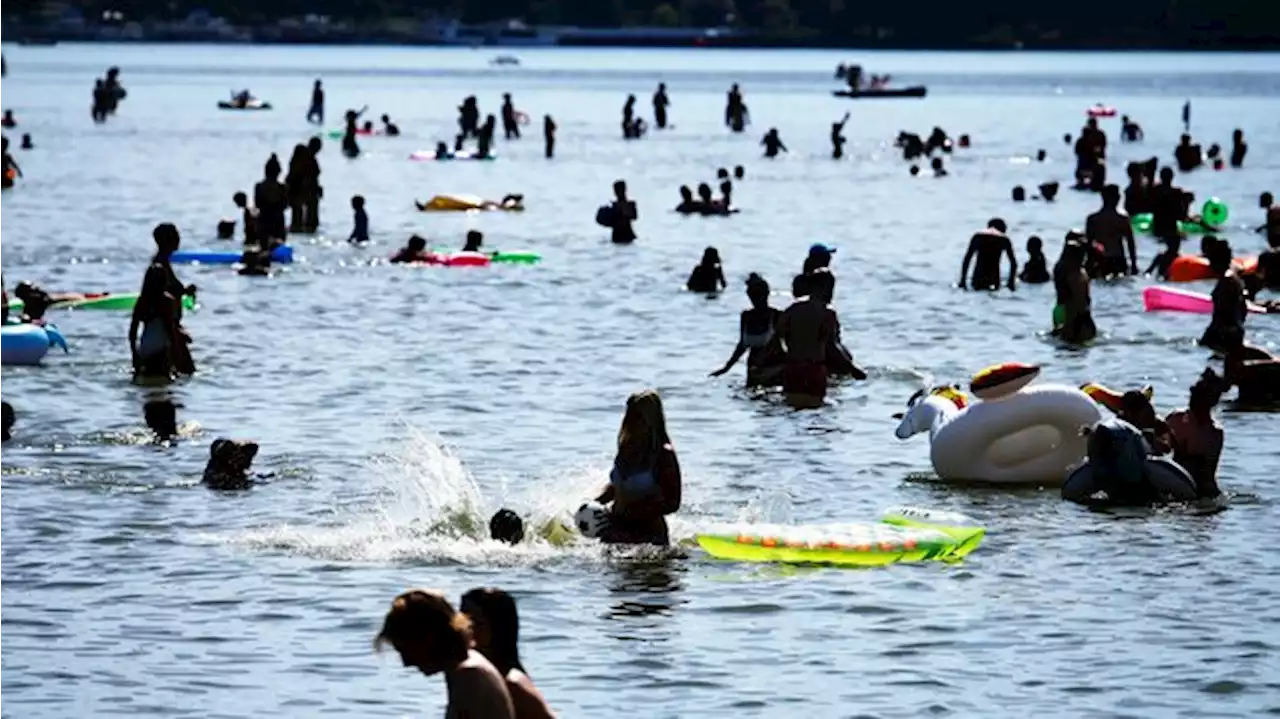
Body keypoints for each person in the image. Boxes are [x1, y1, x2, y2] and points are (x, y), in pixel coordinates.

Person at [374, 590, 516, 719]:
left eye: (406, 650)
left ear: (428, 639)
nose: (406, 662)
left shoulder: (470, 676)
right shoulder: (466, 665)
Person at [593, 390, 682, 545]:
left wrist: (636, 510)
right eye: (630, 414)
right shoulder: (626, 447)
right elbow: (617, 486)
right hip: (614, 532)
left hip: (647, 539)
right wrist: (596, 504)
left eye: (638, 416)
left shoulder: (664, 454)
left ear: (651, 419)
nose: (631, 421)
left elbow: (673, 503)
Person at [459, 589, 557, 719]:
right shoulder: (470, 677)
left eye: (474, 624)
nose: (464, 630)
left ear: (497, 629)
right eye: (460, 622)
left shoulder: (513, 684)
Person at [129, 224, 195, 378]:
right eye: (175, 235)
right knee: (185, 372)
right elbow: (162, 294)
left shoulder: (162, 263)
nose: (179, 239)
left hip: (159, 332)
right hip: (167, 329)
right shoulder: (160, 265)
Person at [776, 271, 840, 408]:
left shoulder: (792, 309)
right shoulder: (828, 313)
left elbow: (778, 337)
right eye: (829, 288)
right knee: (816, 411)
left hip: (793, 368)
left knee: (791, 409)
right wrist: (854, 370)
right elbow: (831, 346)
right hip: (814, 369)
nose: (831, 293)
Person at [710, 273, 784, 387]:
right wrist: (726, 368)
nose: (756, 300)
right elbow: (742, 346)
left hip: (775, 370)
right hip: (753, 371)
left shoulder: (777, 316)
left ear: (766, 294)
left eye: (758, 295)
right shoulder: (746, 316)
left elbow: (790, 344)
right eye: (754, 296)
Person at [1165, 372, 1225, 499]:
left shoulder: (1214, 433)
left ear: (1211, 400)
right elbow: (1159, 448)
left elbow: (1208, 473)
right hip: (1178, 484)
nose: (1193, 398)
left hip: (1201, 491)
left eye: (1199, 396)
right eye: (1194, 394)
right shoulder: (1176, 419)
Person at [1199, 239, 1247, 352]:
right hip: (1234, 332)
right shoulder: (1234, 279)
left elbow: (1219, 314)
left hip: (1223, 334)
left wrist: (1209, 336)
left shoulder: (1226, 282)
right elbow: (1243, 308)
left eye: (1211, 261)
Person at [1085, 184, 1138, 277]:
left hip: (1099, 260)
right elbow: (1130, 243)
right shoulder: (1122, 219)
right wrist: (1134, 264)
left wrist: (1088, 263)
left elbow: (1088, 244)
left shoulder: (1093, 219)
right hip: (1118, 260)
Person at [1053, 236, 1096, 344]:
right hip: (1078, 318)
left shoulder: (1064, 270)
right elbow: (1083, 301)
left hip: (1068, 315)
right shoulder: (1078, 273)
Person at [1147, 167, 1185, 278]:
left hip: (1158, 225)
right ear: (1172, 178)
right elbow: (1181, 213)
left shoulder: (1155, 190)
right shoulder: (1176, 192)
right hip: (1170, 225)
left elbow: (1150, 205)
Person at [959, 219, 1016, 291]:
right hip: (994, 279)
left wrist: (963, 280)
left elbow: (967, 259)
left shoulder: (977, 237)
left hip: (977, 278)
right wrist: (1011, 283)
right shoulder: (1004, 240)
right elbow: (1013, 263)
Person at [253, 154, 288, 247]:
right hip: (277, 223)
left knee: (263, 246)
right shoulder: (282, 188)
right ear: (278, 172)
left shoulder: (259, 186)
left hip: (264, 222)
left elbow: (257, 204)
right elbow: (285, 205)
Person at [603, 180, 637, 245]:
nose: (616, 192)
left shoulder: (630, 204)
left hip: (626, 234)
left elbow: (634, 217)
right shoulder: (613, 205)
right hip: (618, 235)